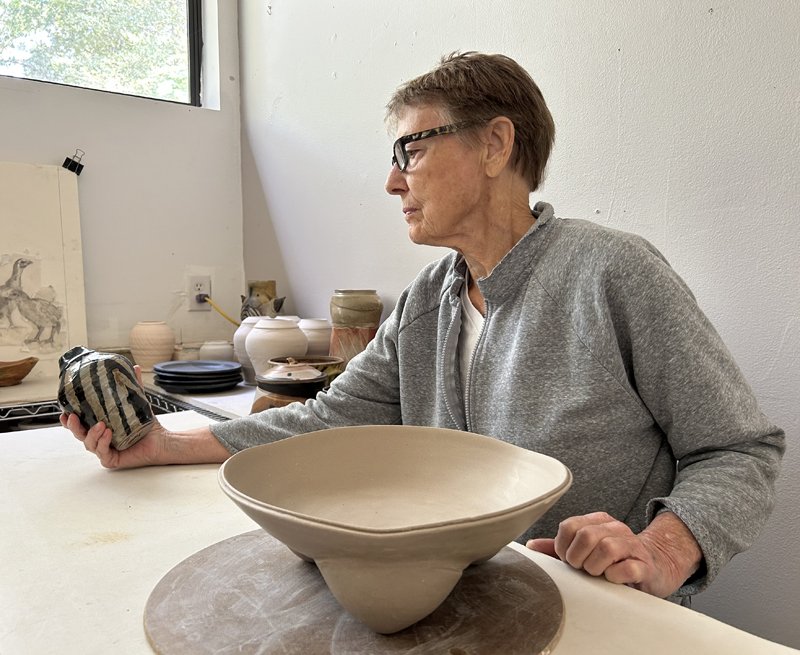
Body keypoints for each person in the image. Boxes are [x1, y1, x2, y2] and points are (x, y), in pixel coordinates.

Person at [62, 51, 784, 603]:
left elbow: (739, 449)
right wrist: (162, 445)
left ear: (496, 145)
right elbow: (331, 420)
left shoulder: (614, 273)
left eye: (412, 149)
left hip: (600, 614)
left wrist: (661, 550)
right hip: (459, 607)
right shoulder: (428, 299)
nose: (392, 180)